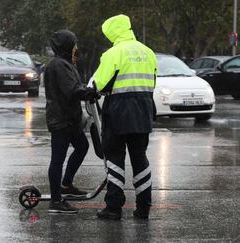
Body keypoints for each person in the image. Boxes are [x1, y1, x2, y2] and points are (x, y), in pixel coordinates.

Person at [93, 15, 157, 220]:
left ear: (113, 32)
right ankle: (144, 207)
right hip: (144, 108)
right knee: (140, 158)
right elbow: (152, 82)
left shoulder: (113, 53)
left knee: (114, 158)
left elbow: (100, 84)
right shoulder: (148, 52)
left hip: (118, 110)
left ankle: (113, 207)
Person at [44, 30, 100, 214]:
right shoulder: (59, 65)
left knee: (82, 146)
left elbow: (74, 87)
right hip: (61, 120)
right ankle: (56, 201)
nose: (76, 48)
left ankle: (66, 185)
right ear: (66, 45)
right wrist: (89, 92)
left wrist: (88, 90)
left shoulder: (65, 63)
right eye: (74, 44)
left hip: (70, 119)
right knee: (57, 160)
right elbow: (71, 90)